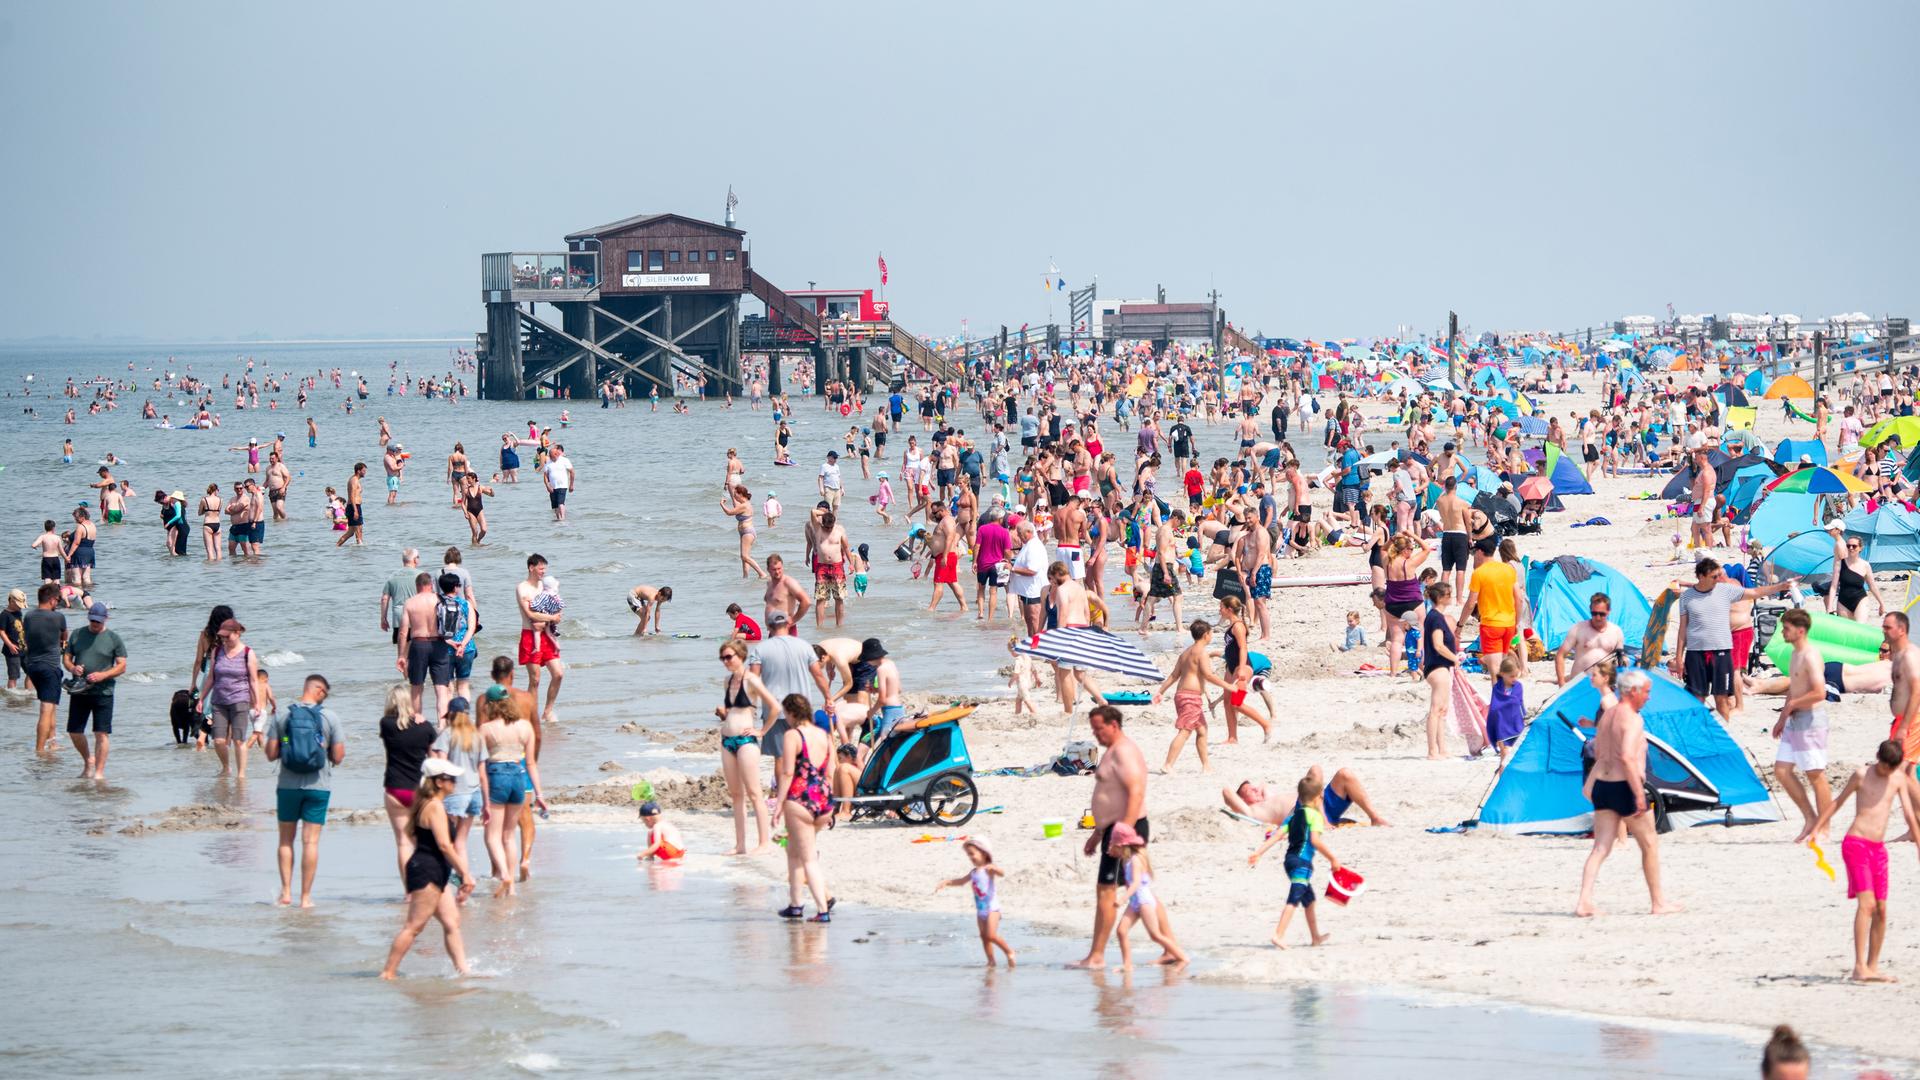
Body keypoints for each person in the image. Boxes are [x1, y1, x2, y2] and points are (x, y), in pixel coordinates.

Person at [1806, 739, 1920, 982]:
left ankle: (1873, 967)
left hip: (1878, 849)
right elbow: (1838, 802)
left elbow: (1910, 814)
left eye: (1891, 768)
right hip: (1856, 844)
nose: (1886, 772)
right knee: (1866, 905)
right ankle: (1859, 967)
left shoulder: (1898, 779)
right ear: (1877, 757)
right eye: (1883, 766)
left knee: (1881, 909)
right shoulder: (1861, 775)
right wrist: (1817, 827)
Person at [1575, 669, 1681, 917]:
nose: (1649, 697)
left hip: (1603, 784)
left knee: (1600, 848)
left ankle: (1584, 901)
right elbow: (1627, 756)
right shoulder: (1632, 719)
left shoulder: (1608, 715)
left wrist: (1589, 786)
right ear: (1633, 692)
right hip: (1624, 786)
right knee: (1650, 844)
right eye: (1646, 692)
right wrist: (1639, 794)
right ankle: (1658, 903)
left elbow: (1600, 754)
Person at [378, 758, 477, 979]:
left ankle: (464, 971)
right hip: (427, 871)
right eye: (452, 779)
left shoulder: (426, 803)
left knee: (452, 922)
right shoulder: (433, 806)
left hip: (432, 869)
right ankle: (388, 973)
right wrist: (465, 873)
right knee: (414, 926)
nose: (455, 783)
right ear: (440, 782)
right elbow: (444, 845)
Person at [1668, 558, 1791, 724]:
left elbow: (1754, 593)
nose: (1718, 579)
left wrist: (1780, 586)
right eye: (1714, 576)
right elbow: (1683, 629)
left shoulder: (1725, 590)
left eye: (1719, 575)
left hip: (1721, 652)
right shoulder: (1687, 597)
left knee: (1722, 698)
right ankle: (1697, 734)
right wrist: (1678, 658)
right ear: (1701, 577)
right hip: (1695, 653)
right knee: (1697, 697)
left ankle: (1724, 734)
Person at [1071, 704, 1147, 970]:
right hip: (1114, 829)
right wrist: (1098, 833)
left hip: (1127, 829)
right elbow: (1111, 797)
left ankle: (1096, 956)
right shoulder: (1112, 752)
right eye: (1093, 729)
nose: (1095, 735)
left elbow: (1135, 793)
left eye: (1099, 729)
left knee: (1108, 892)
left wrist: (1120, 835)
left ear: (1113, 726)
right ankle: (1169, 949)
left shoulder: (1124, 753)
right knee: (1138, 890)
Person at [264, 674, 345, 908]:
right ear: (318, 690)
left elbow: (270, 754)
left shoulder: (283, 715)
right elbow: (338, 757)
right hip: (318, 787)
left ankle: (287, 893)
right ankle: (306, 898)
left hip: (288, 786)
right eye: (325, 694)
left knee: (286, 841)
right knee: (310, 843)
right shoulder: (329, 717)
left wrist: (287, 747)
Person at [1248, 772, 1344, 948]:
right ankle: (1278, 935)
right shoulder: (1314, 816)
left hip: (1290, 860)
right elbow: (1315, 841)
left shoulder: (1293, 816)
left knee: (1309, 900)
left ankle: (1315, 937)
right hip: (1301, 863)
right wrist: (1333, 859)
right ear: (1317, 798)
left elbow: (1277, 836)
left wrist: (1259, 852)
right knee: (1294, 899)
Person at [1770, 609, 1834, 842]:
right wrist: (1782, 718)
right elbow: (1794, 687)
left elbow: (1820, 692)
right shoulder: (1794, 654)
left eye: (1786, 628)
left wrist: (1791, 706)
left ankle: (1824, 827)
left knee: (1816, 774)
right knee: (1782, 770)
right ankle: (1810, 818)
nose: (1783, 632)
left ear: (1800, 630)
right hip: (1794, 720)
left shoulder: (1810, 655)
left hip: (1811, 721)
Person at [480, 682, 548, 895]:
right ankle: (512, 889)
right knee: (509, 835)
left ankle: (505, 875)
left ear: (491, 705)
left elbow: (480, 766)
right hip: (519, 777)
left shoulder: (485, 729)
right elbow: (531, 764)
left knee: (493, 836)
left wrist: (482, 798)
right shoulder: (524, 727)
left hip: (497, 775)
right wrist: (539, 794)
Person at [771, 694, 834, 921]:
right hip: (824, 800)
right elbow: (830, 771)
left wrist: (778, 804)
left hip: (800, 799)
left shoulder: (793, 735)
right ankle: (795, 904)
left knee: (808, 858)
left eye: (786, 714)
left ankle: (822, 910)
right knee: (795, 852)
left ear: (792, 713)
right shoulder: (824, 735)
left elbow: (787, 772)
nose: (785, 718)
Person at [715, 639, 778, 855]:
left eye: (728, 657)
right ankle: (740, 844)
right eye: (722, 658)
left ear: (740, 656)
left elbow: (775, 706)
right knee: (736, 794)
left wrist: (761, 731)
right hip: (727, 740)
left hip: (746, 742)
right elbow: (732, 710)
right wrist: (723, 714)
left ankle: (764, 843)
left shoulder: (751, 680)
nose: (725, 661)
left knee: (754, 792)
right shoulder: (727, 680)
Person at [1152, 619, 1230, 773]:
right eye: (1211, 633)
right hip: (1190, 697)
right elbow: (1208, 675)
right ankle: (1168, 764)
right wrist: (1228, 686)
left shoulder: (1186, 653)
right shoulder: (1201, 653)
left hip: (1182, 695)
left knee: (1202, 730)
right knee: (1185, 731)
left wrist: (1160, 691)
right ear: (1206, 635)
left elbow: (1174, 676)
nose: (1212, 636)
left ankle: (1206, 766)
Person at [378, 684, 436, 890]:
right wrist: (422, 720)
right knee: (422, 842)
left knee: (403, 842)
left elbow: (395, 723)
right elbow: (434, 759)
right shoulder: (425, 727)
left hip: (394, 789)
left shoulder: (386, 725)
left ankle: (409, 892)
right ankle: (425, 885)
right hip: (418, 790)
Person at [63, 601, 125, 781]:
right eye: (92, 621)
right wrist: (73, 668)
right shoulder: (77, 635)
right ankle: (88, 760)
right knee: (74, 731)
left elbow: (122, 667)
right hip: (80, 690)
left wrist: (102, 675)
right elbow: (67, 658)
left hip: (103, 692)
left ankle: (99, 772)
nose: (95, 624)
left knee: (101, 733)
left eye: (98, 621)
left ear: (106, 619)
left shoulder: (114, 639)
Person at [1223, 764, 1389, 827]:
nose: (1255, 790)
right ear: (1243, 800)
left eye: (1254, 788)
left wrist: (1259, 790)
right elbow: (1227, 792)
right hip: (1303, 814)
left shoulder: (1270, 797)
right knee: (1315, 770)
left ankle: (1374, 817)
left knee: (1344, 773)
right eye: (1249, 791)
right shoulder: (1252, 811)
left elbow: (1264, 785)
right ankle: (1322, 821)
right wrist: (1243, 798)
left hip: (1320, 803)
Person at [429, 695, 486, 879]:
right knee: (461, 841)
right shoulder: (477, 736)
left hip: (455, 794)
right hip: (474, 793)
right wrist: (487, 804)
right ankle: (464, 877)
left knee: (447, 841)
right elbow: (483, 774)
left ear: (451, 715)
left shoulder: (447, 735)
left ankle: (456, 877)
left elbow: (442, 767)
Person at [934, 836, 1014, 966]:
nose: (970, 857)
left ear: (983, 852)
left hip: (992, 909)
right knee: (984, 937)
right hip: (980, 910)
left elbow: (1002, 873)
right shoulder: (973, 872)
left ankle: (1009, 952)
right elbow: (961, 882)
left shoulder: (989, 868)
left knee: (991, 935)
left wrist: (995, 869)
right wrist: (947, 882)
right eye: (968, 855)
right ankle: (991, 961)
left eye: (972, 854)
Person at [197, 617, 260, 779]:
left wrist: (258, 703)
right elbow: (211, 677)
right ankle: (226, 768)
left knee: (238, 740)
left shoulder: (248, 653)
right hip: (219, 701)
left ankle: (241, 775)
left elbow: (253, 680)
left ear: (238, 633)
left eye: (228, 636)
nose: (224, 639)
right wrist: (201, 698)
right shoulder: (217, 651)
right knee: (218, 741)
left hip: (240, 700)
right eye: (222, 636)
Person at [1111, 835, 1187, 967]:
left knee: (1155, 935)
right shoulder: (1125, 860)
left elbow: (1135, 883)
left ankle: (1183, 958)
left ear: (1122, 845)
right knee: (1121, 931)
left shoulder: (1136, 860)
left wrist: (1123, 898)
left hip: (1144, 901)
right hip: (1134, 902)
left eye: (1113, 845)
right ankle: (1127, 965)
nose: (1109, 848)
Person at [1461, 543, 1523, 681]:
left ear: (1480, 552)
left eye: (1474, 553)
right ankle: (1508, 697)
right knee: (1503, 664)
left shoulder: (1479, 573)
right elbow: (1518, 599)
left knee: (1495, 670)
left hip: (1491, 625)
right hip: (1509, 624)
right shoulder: (1508, 570)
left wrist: (1460, 626)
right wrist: (1516, 622)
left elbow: (1470, 604)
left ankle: (1499, 701)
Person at [516, 553, 564, 723]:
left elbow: (556, 605)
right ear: (531, 567)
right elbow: (530, 613)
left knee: (558, 674)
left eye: (545, 568)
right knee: (535, 679)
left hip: (547, 635)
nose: (543, 571)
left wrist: (555, 617)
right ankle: (531, 716)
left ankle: (547, 711)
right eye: (541, 568)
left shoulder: (545, 586)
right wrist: (551, 618)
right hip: (530, 635)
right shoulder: (522, 587)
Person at [24, 583, 66, 754]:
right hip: (50, 667)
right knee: (46, 708)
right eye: (58, 600)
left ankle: (52, 742)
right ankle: (40, 750)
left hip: (32, 666)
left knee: (51, 705)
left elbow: (27, 638)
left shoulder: (28, 616)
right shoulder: (58, 618)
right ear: (51, 599)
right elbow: (64, 636)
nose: (58, 603)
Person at [1421, 581, 1459, 760]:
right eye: (1449, 594)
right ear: (1441, 597)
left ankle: (1441, 749)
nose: (1451, 597)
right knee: (1436, 710)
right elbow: (1438, 644)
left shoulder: (1436, 616)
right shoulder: (1435, 617)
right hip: (1437, 667)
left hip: (1440, 667)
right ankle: (1431, 751)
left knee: (1442, 710)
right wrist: (1455, 658)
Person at [1553, 593, 1625, 685]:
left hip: (1604, 685)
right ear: (1590, 610)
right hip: (1579, 684)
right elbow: (1560, 655)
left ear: (1609, 611)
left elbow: (1621, 658)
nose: (1598, 617)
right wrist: (1561, 682)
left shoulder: (1616, 631)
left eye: (1602, 614)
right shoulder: (1578, 629)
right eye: (1594, 613)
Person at [1829, 530, 1884, 622]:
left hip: (1860, 599)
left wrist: (1881, 604)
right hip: (1843, 602)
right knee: (1846, 631)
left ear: (1860, 548)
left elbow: (1872, 586)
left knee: (1860, 628)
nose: (1851, 548)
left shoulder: (1865, 565)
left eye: (1854, 546)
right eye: (1848, 546)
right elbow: (1834, 587)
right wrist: (1829, 607)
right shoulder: (1839, 564)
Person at [1487, 654, 1525, 765]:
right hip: (1501, 725)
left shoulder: (1518, 687)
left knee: (1517, 754)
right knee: (1504, 756)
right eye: (1511, 676)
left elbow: (1519, 704)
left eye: (1516, 675)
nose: (1515, 679)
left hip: (1516, 724)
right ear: (1502, 674)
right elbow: (1494, 707)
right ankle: (1501, 778)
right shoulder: (1497, 688)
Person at [541, 443, 574, 521]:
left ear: (556, 454)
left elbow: (572, 472)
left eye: (552, 456)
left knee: (560, 503)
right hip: (552, 486)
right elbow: (545, 475)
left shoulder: (564, 460)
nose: (551, 458)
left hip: (562, 485)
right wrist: (547, 486)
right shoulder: (548, 463)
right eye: (550, 456)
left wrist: (571, 485)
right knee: (555, 506)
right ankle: (558, 519)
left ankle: (562, 518)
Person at [2, 588, 26, 691]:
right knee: (14, 676)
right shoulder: (4, 615)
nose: (20, 607)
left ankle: (29, 693)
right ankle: (11, 697)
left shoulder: (18, 612)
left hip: (23, 647)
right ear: (11, 601)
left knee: (31, 671)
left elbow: (22, 628)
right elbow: (1, 631)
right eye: (18, 605)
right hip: (12, 650)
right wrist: (10, 645)